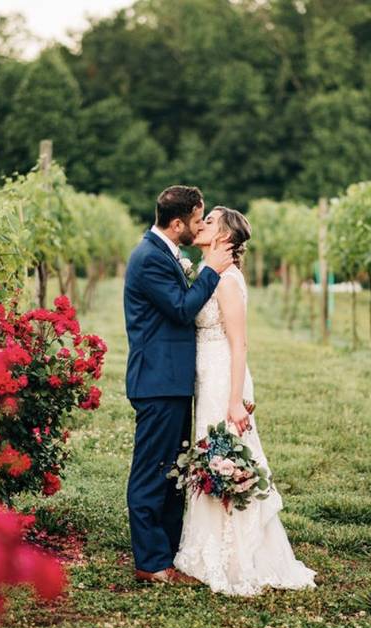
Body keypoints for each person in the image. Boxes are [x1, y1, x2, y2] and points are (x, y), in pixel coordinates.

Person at [173, 206, 316, 596]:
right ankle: (208, 548)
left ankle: (236, 556)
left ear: (224, 238)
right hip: (207, 378)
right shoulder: (210, 274)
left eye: (210, 222)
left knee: (226, 458)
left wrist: (235, 401)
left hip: (224, 381)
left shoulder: (227, 281)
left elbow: (240, 345)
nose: (201, 225)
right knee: (211, 457)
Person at [122, 186, 233, 584]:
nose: (201, 226)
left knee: (173, 472)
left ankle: (166, 558)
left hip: (170, 381)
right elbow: (184, 309)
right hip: (157, 381)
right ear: (176, 223)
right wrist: (211, 272)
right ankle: (150, 564)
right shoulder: (150, 258)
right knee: (153, 473)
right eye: (197, 220)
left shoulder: (165, 253)